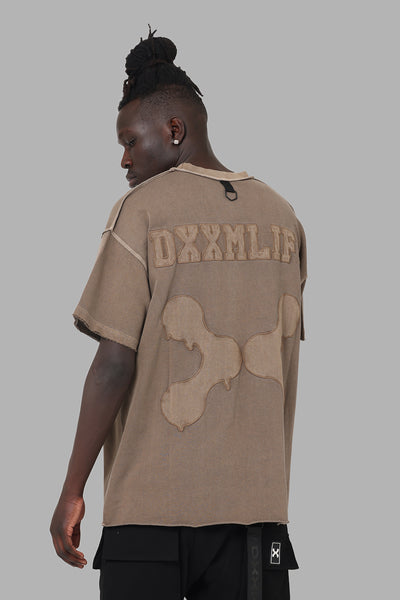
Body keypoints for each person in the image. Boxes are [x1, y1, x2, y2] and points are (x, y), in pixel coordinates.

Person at [50, 24, 307, 600]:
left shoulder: (140, 212)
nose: (123, 158)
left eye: (129, 141)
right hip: (258, 518)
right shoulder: (282, 217)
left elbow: (113, 364)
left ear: (174, 130)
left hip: (147, 513)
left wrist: (72, 489)